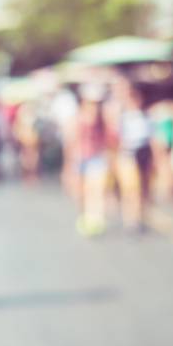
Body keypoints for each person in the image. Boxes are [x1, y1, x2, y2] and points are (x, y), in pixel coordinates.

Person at [72, 86, 110, 238]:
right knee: (83, 192)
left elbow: (107, 139)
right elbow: (72, 140)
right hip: (81, 158)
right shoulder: (77, 118)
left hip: (97, 159)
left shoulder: (102, 118)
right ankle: (86, 216)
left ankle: (96, 218)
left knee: (97, 190)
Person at [116, 85, 154, 233]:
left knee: (141, 189)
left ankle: (139, 217)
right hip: (127, 155)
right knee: (130, 190)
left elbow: (152, 139)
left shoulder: (146, 116)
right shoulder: (122, 117)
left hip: (143, 153)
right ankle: (129, 219)